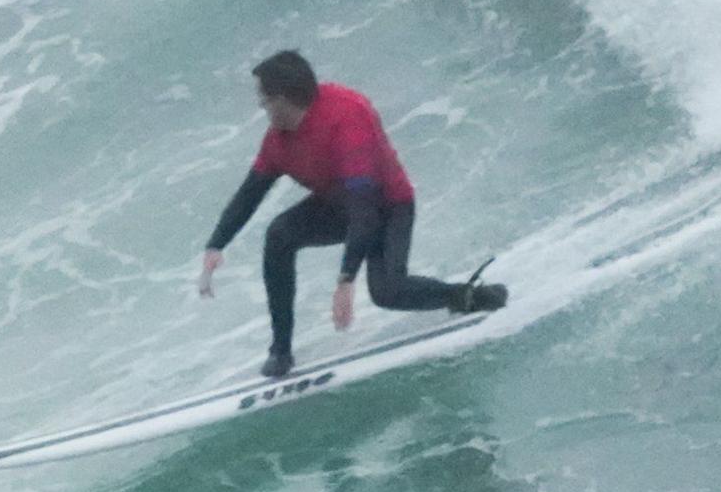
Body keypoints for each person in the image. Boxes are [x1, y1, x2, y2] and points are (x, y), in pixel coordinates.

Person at [198, 50, 507, 378]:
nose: (260, 106)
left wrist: (346, 280)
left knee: (388, 291)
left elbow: (365, 207)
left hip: (387, 206)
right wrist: (216, 245)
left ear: (282, 98)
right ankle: (281, 351)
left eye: (263, 99)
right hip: (337, 206)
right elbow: (250, 193)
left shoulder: (346, 115)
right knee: (280, 234)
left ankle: (468, 296)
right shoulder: (278, 140)